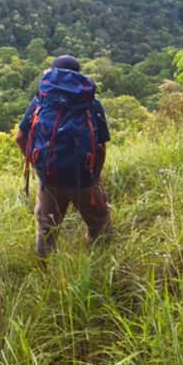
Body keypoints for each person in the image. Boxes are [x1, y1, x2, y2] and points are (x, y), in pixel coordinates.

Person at [16, 55, 111, 257]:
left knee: (46, 229)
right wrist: (95, 177)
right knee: (99, 222)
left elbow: (20, 137)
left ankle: (45, 272)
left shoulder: (40, 102)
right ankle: (96, 259)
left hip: (49, 175)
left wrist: (38, 164)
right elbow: (101, 147)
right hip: (83, 175)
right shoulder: (91, 104)